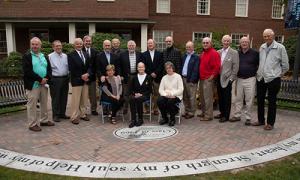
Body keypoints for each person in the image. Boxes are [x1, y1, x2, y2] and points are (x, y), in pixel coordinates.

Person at [254, 29, 289, 130]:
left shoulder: (280, 47)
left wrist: (278, 74)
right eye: (265, 36)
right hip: (261, 78)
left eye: (268, 36)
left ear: (273, 36)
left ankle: (270, 123)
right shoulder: (262, 47)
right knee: (260, 100)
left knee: (272, 101)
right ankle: (261, 120)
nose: (266, 38)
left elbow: (286, 65)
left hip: (273, 79)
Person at [23, 37, 54, 132]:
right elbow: (27, 71)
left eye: (36, 44)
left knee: (44, 103)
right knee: (32, 105)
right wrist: (40, 79)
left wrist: (47, 78)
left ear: (40, 45)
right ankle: (32, 124)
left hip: (44, 84)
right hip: (33, 85)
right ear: (30, 45)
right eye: (33, 44)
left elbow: (49, 68)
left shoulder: (44, 56)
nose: (35, 46)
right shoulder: (27, 56)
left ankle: (44, 120)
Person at [230, 37, 259, 125]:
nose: (244, 43)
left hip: (250, 79)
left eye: (246, 42)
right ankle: (237, 115)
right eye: (242, 42)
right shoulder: (237, 53)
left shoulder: (255, 53)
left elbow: (259, 65)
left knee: (249, 99)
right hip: (239, 79)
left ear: (249, 43)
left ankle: (248, 117)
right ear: (240, 43)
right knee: (238, 98)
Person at [68, 38, 93, 125]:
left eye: (80, 44)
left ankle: (83, 114)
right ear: (74, 45)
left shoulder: (86, 54)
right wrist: (81, 76)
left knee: (84, 99)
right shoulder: (71, 55)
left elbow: (90, 66)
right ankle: (74, 116)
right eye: (77, 44)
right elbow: (71, 68)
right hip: (76, 80)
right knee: (76, 100)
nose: (79, 45)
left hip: (85, 80)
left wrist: (88, 74)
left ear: (82, 44)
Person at [215, 35, 239, 123]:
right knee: (220, 97)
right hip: (218, 78)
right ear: (222, 41)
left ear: (230, 42)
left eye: (228, 41)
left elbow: (235, 67)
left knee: (227, 98)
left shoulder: (234, 53)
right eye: (224, 41)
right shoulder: (218, 52)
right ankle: (221, 113)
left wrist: (231, 79)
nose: (226, 42)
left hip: (227, 79)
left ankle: (226, 115)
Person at [198, 37, 221, 121]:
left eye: (207, 42)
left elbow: (217, 66)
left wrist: (212, 77)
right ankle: (204, 112)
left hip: (208, 79)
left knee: (208, 98)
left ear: (210, 43)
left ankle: (208, 115)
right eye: (204, 43)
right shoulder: (203, 53)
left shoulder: (214, 53)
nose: (205, 44)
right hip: (202, 78)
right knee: (203, 97)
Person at [119, 40, 143, 114]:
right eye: (130, 45)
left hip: (136, 76)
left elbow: (142, 65)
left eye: (132, 45)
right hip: (126, 76)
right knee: (126, 93)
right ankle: (125, 107)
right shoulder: (122, 54)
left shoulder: (139, 54)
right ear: (127, 46)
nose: (131, 47)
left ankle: (135, 107)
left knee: (135, 92)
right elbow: (119, 66)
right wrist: (120, 75)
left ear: (135, 46)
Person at [48, 40, 70, 122]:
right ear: (53, 47)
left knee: (64, 97)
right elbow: (48, 69)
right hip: (55, 79)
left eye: (60, 45)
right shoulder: (50, 56)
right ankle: (55, 115)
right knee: (56, 98)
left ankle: (62, 114)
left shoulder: (65, 56)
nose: (59, 47)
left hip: (65, 78)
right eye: (57, 46)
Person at [157, 61, 184, 126]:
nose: (169, 69)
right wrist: (166, 95)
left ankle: (172, 119)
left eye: (170, 68)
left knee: (170, 101)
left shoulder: (178, 76)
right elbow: (160, 90)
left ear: (173, 68)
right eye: (167, 68)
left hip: (176, 96)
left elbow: (181, 89)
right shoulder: (164, 77)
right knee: (159, 101)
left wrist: (172, 94)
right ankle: (165, 118)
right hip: (166, 95)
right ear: (165, 69)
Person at [142, 39, 163, 115]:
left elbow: (161, 65)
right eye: (148, 43)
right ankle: (147, 109)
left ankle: (155, 108)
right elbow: (144, 65)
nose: (150, 44)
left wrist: (155, 73)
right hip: (148, 77)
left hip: (157, 77)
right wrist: (151, 73)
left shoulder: (160, 54)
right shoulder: (143, 54)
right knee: (147, 93)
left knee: (157, 94)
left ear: (154, 44)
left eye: (151, 43)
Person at [179, 41, 199, 119]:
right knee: (185, 96)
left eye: (189, 47)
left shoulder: (196, 57)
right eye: (187, 47)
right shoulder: (184, 56)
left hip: (191, 80)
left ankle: (191, 112)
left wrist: (192, 80)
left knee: (192, 96)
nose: (188, 48)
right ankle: (186, 110)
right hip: (183, 78)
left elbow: (196, 70)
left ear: (193, 47)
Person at [128, 62, 152, 128]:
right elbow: (131, 89)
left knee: (139, 99)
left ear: (144, 68)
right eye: (139, 67)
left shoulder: (148, 77)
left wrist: (141, 94)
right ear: (137, 68)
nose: (141, 68)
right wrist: (135, 94)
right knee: (131, 99)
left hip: (145, 95)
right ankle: (133, 120)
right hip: (135, 95)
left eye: (142, 67)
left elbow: (150, 90)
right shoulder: (134, 77)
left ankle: (140, 119)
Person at [82, 35, 99, 116]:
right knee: (83, 95)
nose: (88, 42)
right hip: (82, 77)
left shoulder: (94, 51)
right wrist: (84, 75)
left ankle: (93, 109)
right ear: (83, 42)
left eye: (89, 41)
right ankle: (83, 111)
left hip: (92, 77)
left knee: (93, 95)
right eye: (86, 41)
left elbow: (96, 65)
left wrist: (91, 74)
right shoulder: (80, 50)